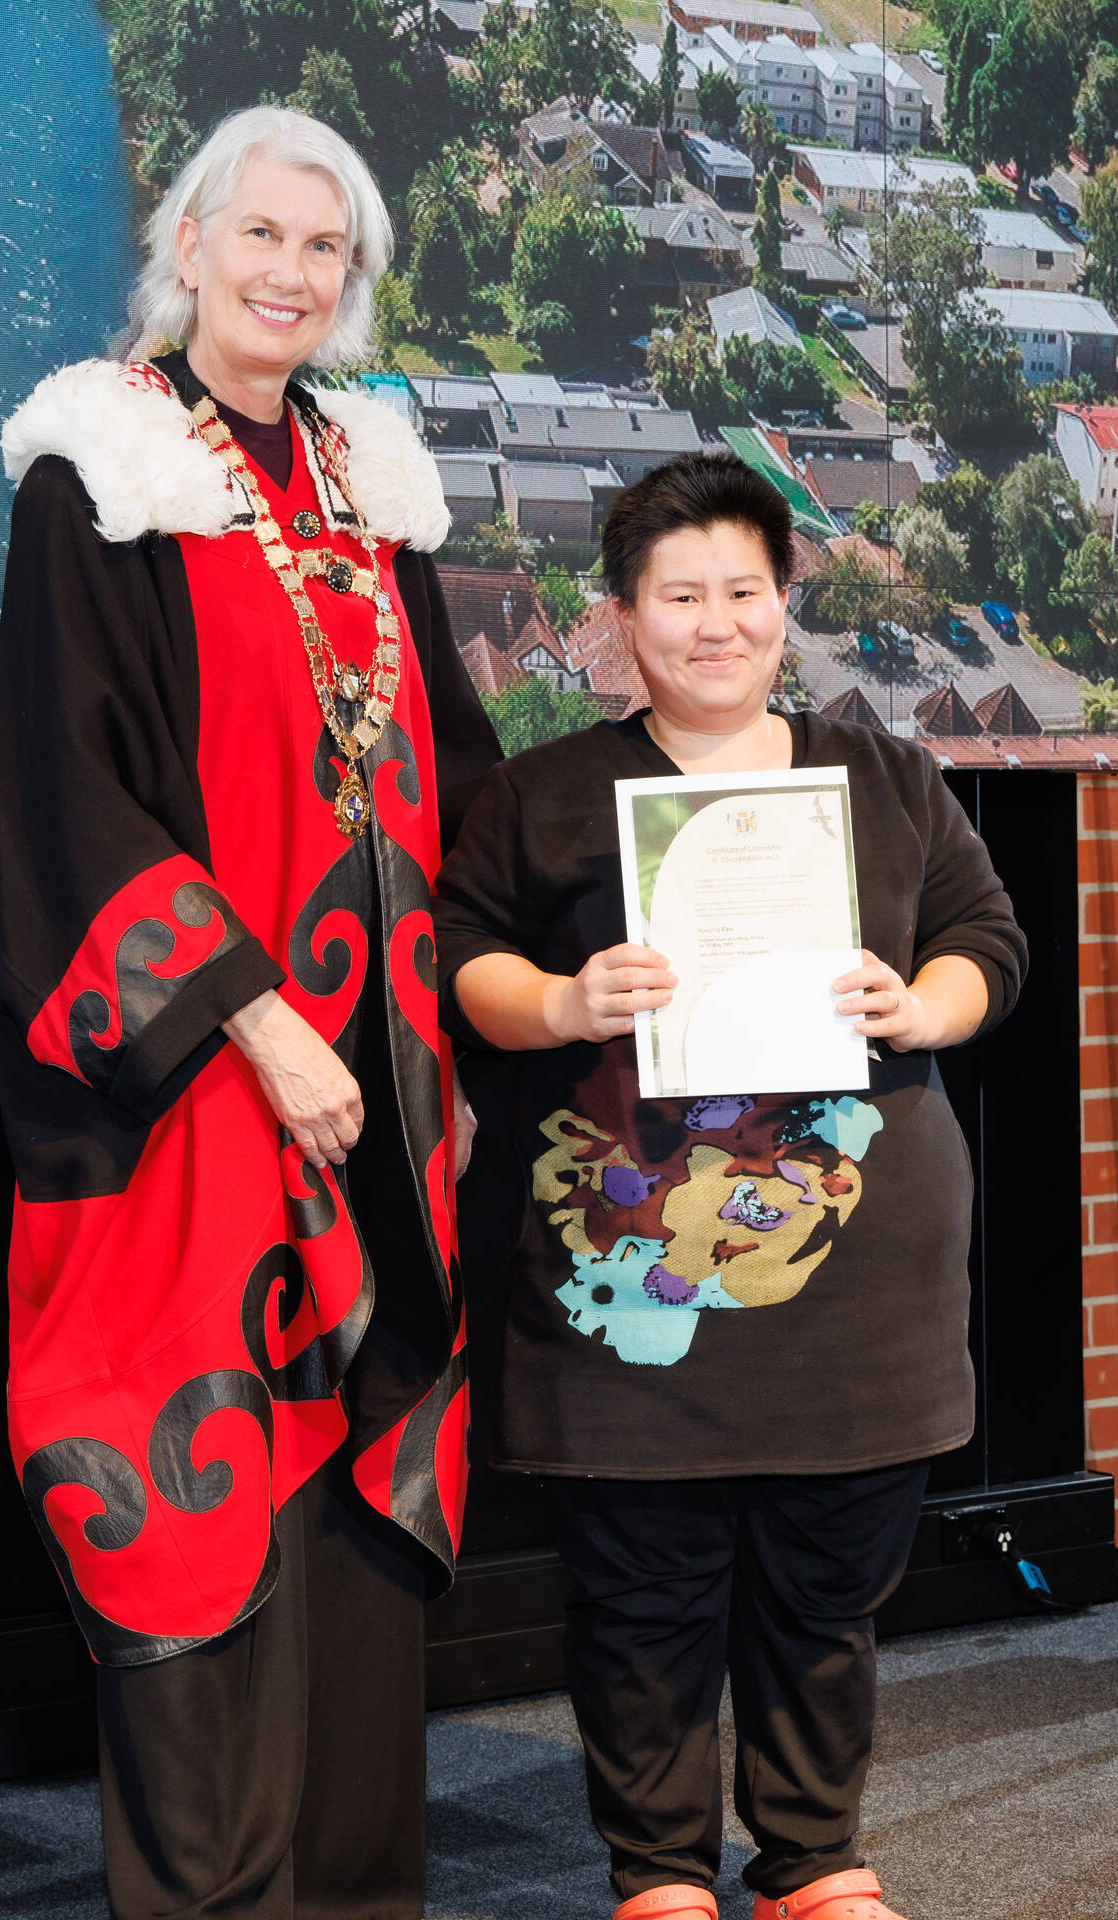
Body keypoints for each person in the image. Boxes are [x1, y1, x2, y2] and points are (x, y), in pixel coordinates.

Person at [0, 105, 499, 1920]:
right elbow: (66, 797)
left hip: (379, 1089)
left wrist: (462, 1024)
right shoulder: (102, 469)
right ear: (186, 243)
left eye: (322, 248)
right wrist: (254, 1022)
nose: (288, 273)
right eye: (257, 234)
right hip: (196, 1081)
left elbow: (443, 770)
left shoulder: (367, 479)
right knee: (210, 1490)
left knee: (351, 1512)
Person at [432, 452, 1027, 1920]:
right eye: (680, 595)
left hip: (855, 1282)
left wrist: (921, 1006)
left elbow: (986, 944)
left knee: (828, 1589)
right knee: (642, 1596)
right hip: (637, 1274)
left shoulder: (884, 777)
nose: (717, 625)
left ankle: (812, 1855)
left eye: (744, 592)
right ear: (623, 614)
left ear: (783, 602)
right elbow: (458, 964)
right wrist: (563, 1003)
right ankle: (658, 1871)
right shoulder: (542, 794)